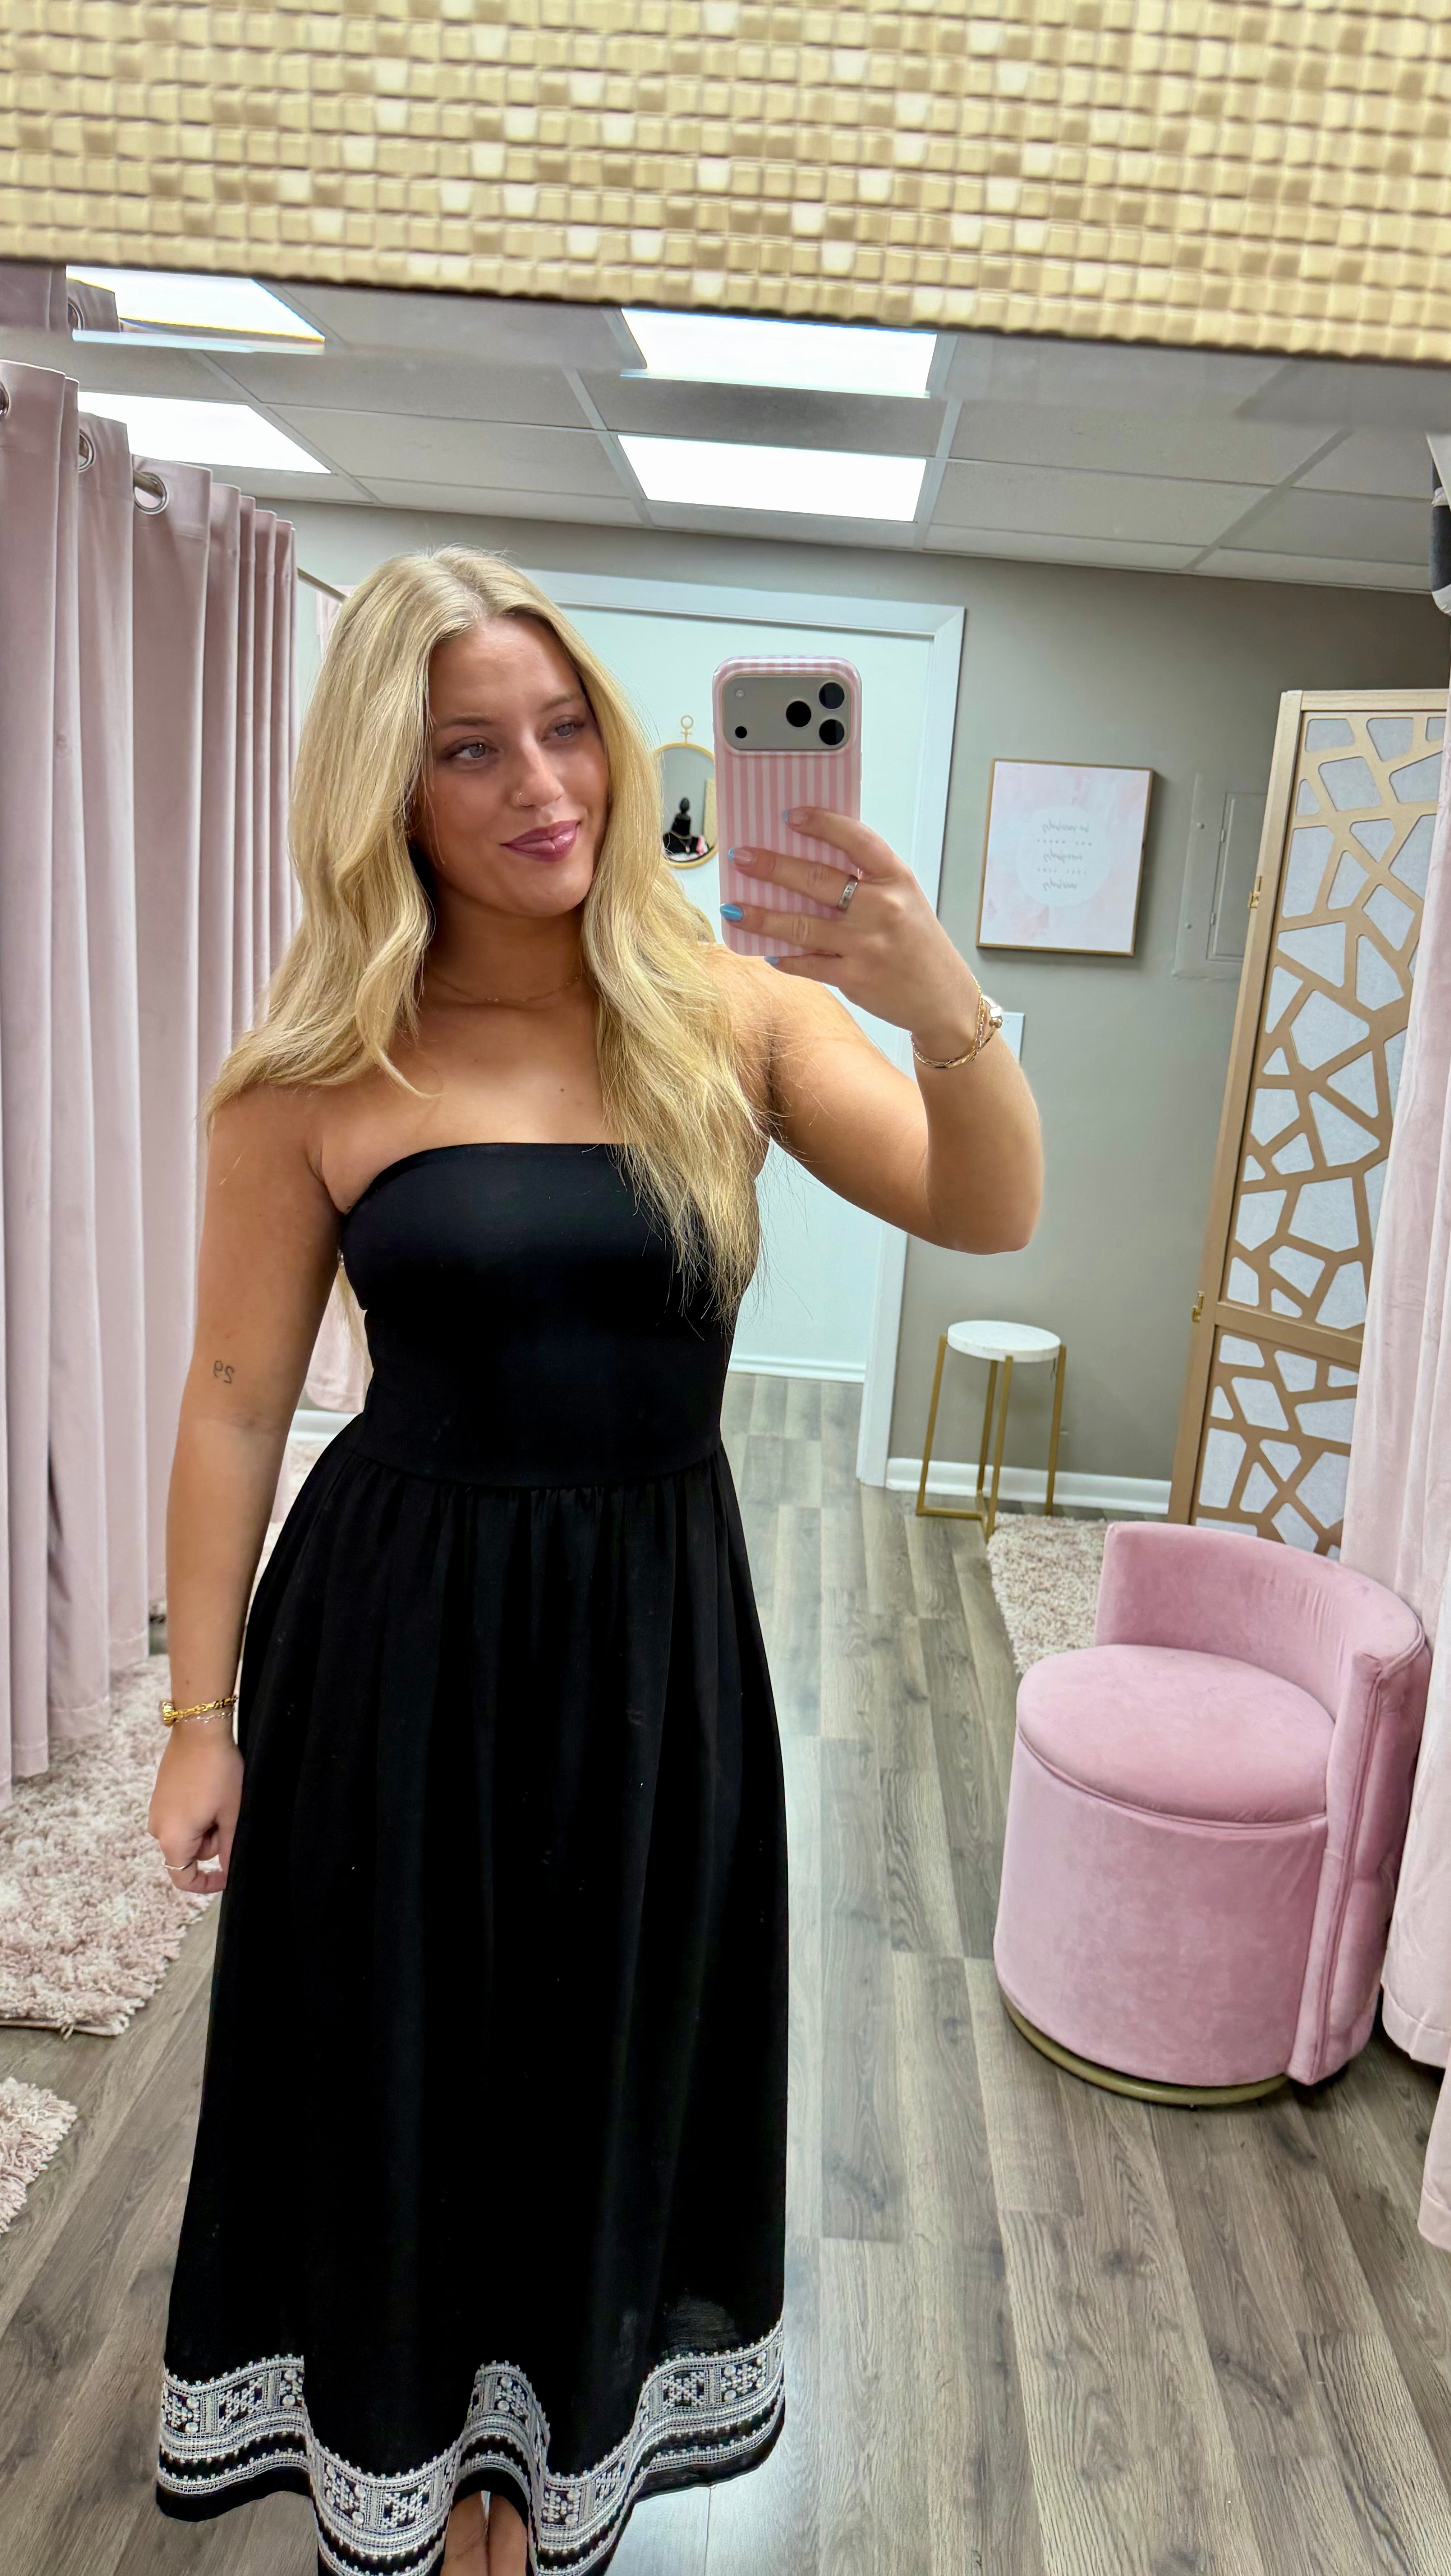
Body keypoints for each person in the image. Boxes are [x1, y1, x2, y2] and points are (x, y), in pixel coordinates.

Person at [146, 547, 1043, 2576]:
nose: (541, 785)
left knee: (600, 2054)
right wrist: (201, 1715)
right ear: (388, 787)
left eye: (566, 730)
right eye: (470, 749)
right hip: (393, 1641)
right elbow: (233, 1400)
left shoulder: (732, 1014)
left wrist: (942, 1007)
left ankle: (539, 2479)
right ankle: (416, 2472)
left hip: (653, 1638)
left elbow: (981, 1210)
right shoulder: (318, 1064)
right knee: (401, 2066)